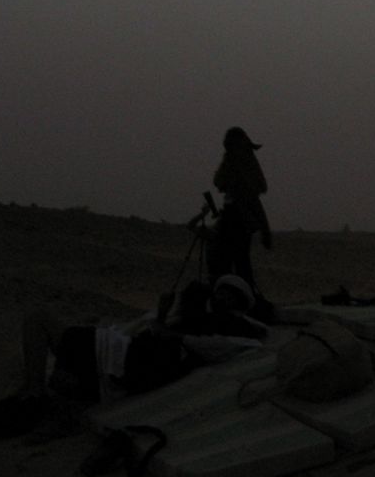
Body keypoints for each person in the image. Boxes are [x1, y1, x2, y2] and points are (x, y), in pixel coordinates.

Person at [17, 275, 267, 407]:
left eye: (231, 297)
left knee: (45, 324)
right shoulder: (192, 310)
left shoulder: (233, 327)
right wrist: (163, 313)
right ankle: (36, 391)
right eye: (223, 291)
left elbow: (219, 346)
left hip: (137, 361)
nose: (224, 297)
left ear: (238, 305)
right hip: (130, 350)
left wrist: (176, 335)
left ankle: (36, 392)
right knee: (42, 323)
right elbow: (155, 330)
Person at [209, 126, 272, 294]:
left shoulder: (242, 159)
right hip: (235, 215)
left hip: (239, 217)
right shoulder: (237, 158)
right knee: (234, 260)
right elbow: (220, 182)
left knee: (237, 260)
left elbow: (252, 190)